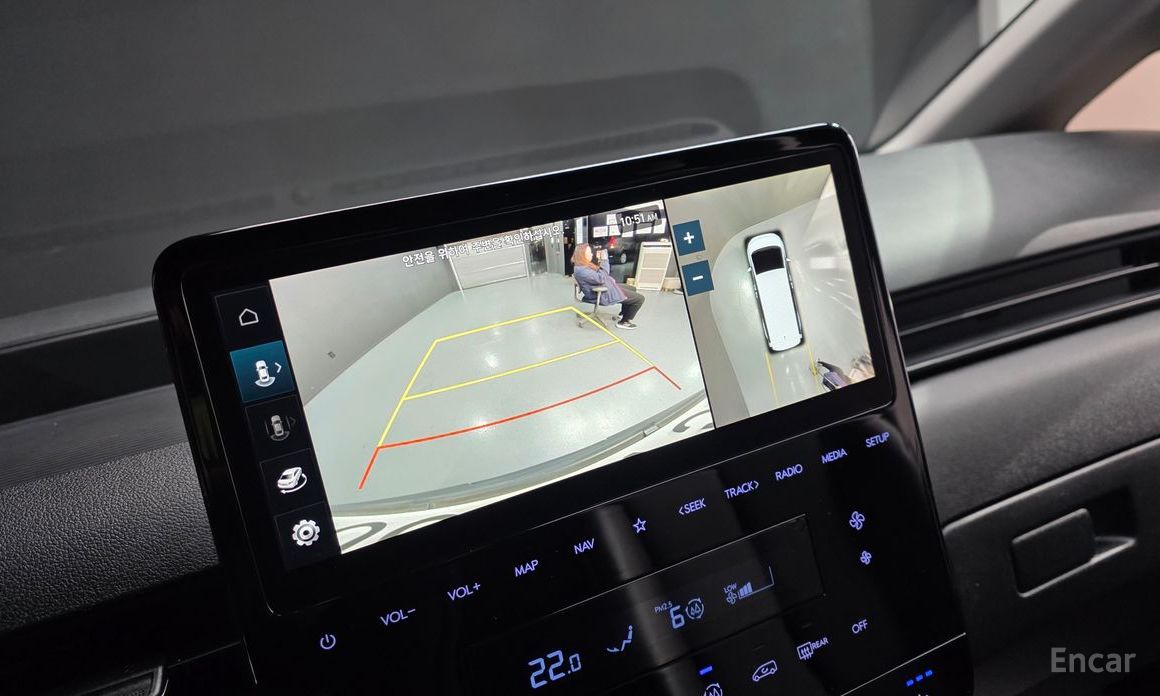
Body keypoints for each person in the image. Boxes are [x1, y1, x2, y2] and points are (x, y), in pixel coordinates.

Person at [571, 243, 645, 329]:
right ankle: (624, 322)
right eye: (589, 252)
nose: (591, 254)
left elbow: (598, 274)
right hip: (599, 293)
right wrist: (604, 260)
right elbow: (602, 278)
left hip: (601, 287)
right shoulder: (582, 270)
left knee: (632, 288)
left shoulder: (583, 265)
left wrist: (600, 260)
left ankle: (623, 313)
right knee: (639, 299)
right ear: (582, 255)